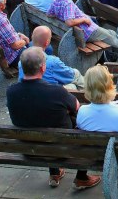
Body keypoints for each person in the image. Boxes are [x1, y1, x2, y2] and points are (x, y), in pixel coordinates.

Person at [6, 47, 99, 189]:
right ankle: (81, 177)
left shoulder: (11, 92)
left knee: (42, 120)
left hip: (28, 149)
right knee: (80, 121)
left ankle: (54, 173)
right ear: (43, 68)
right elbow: (77, 107)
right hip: (61, 150)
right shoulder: (57, 91)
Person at [16, 26, 81, 88]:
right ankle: (89, 92)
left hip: (27, 90)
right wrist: (76, 72)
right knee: (74, 83)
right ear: (47, 42)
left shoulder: (21, 61)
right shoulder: (52, 62)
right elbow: (70, 76)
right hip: (48, 93)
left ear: (32, 37)